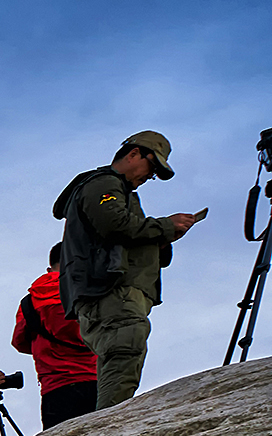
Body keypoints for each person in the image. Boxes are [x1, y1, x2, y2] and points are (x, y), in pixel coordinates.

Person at [52, 130, 202, 409]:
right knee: (124, 351)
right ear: (134, 153)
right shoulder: (104, 183)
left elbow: (120, 235)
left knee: (121, 356)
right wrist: (166, 226)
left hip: (108, 293)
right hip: (111, 292)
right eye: (152, 166)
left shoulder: (117, 189)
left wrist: (161, 240)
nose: (150, 176)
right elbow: (114, 225)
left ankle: (104, 430)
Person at [12, 242, 99, 429]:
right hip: (96, 379)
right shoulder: (90, 290)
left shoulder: (30, 301)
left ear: (49, 269)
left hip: (55, 387)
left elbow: (19, 341)